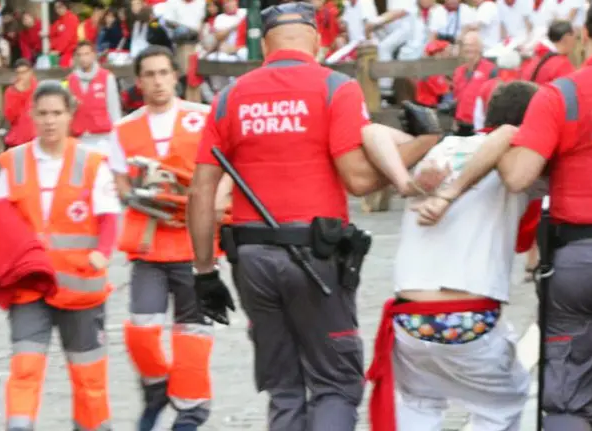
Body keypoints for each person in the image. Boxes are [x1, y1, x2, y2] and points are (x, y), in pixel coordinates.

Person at [414, 0, 592, 429]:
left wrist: (506, 140)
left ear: (583, 34)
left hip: (580, 255)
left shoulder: (561, 94)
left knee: (569, 402)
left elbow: (520, 178)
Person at [186, 3, 443, 430]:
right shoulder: (334, 88)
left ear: (265, 44)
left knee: (284, 387)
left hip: (251, 258)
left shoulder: (231, 96)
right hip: (314, 257)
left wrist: (203, 272)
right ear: (317, 41)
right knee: (335, 385)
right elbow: (359, 180)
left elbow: (201, 190)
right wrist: (423, 143)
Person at [366, 81, 538, 431]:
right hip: (468, 319)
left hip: (409, 321)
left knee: (419, 403)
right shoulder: (521, 162)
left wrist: (404, 182)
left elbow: (370, 130)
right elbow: (507, 134)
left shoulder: (438, 149)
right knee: (502, 403)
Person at [106, 45, 227, 431]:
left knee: (193, 332)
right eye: (150, 74)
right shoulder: (123, 129)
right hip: (147, 245)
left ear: (175, 76)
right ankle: (157, 386)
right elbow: (121, 184)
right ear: (139, 81)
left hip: (195, 246)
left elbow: (225, 175)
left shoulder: (204, 119)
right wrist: (138, 194)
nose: (158, 81)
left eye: (163, 73)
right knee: (141, 327)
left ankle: (191, 411)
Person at [0, 81, 120, 431]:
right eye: (43, 113)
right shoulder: (13, 163)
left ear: (70, 116)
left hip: (81, 290)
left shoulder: (92, 163)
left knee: (89, 379)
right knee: (25, 369)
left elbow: (109, 216)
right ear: (31, 115)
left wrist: (102, 252)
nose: (50, 121)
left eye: (57, 113)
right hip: (30, 289)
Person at [67, 41, 123, 155]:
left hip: (103, 137)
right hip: (80, 137)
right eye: (80, 55)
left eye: (86, 54)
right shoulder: (71, 79)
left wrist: (117, 136)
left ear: (93, 55)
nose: (83, 58)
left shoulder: (107, 77)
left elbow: (114, 108)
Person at [452, 31, 497, 136]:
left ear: (480, 48)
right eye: (466, 45)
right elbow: (456, 98)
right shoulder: (458, 71)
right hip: (461, 126)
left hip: (480, 126)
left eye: (472, 45)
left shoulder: (491, 70)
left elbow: (494, 100)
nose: (468, 49)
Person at [3, 58, 37, 147]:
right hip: (18, 141)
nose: (22, 76)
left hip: (37, 139)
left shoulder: (39, 89)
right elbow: (11, 117)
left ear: (31, 72)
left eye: (24, 72)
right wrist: (18, 94)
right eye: (19, 73)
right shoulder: (11, 92)